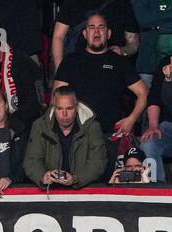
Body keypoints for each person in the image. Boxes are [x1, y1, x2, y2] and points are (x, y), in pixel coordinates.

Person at [53, 12, 147, 171]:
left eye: (101, 27)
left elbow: (143, 93)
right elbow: (56, 98)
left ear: (108, 33)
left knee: (111, 187)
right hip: (78, 137)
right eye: (91, 27)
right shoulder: (71, 61)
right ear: (85, 33)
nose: (96, 32)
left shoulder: (119, 62)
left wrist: (131, 119)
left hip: (110, 137)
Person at [22, 85, 106, 188]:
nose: (64, 114)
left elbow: (98, 163)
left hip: (83, 191)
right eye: (59, 108)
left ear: (76, 107)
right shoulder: (40, 126)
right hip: (50, 191)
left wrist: (76, 178)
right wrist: (43, 176)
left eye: (69, 108)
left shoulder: (92, 127)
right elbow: (32, 161)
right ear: (53, 107)